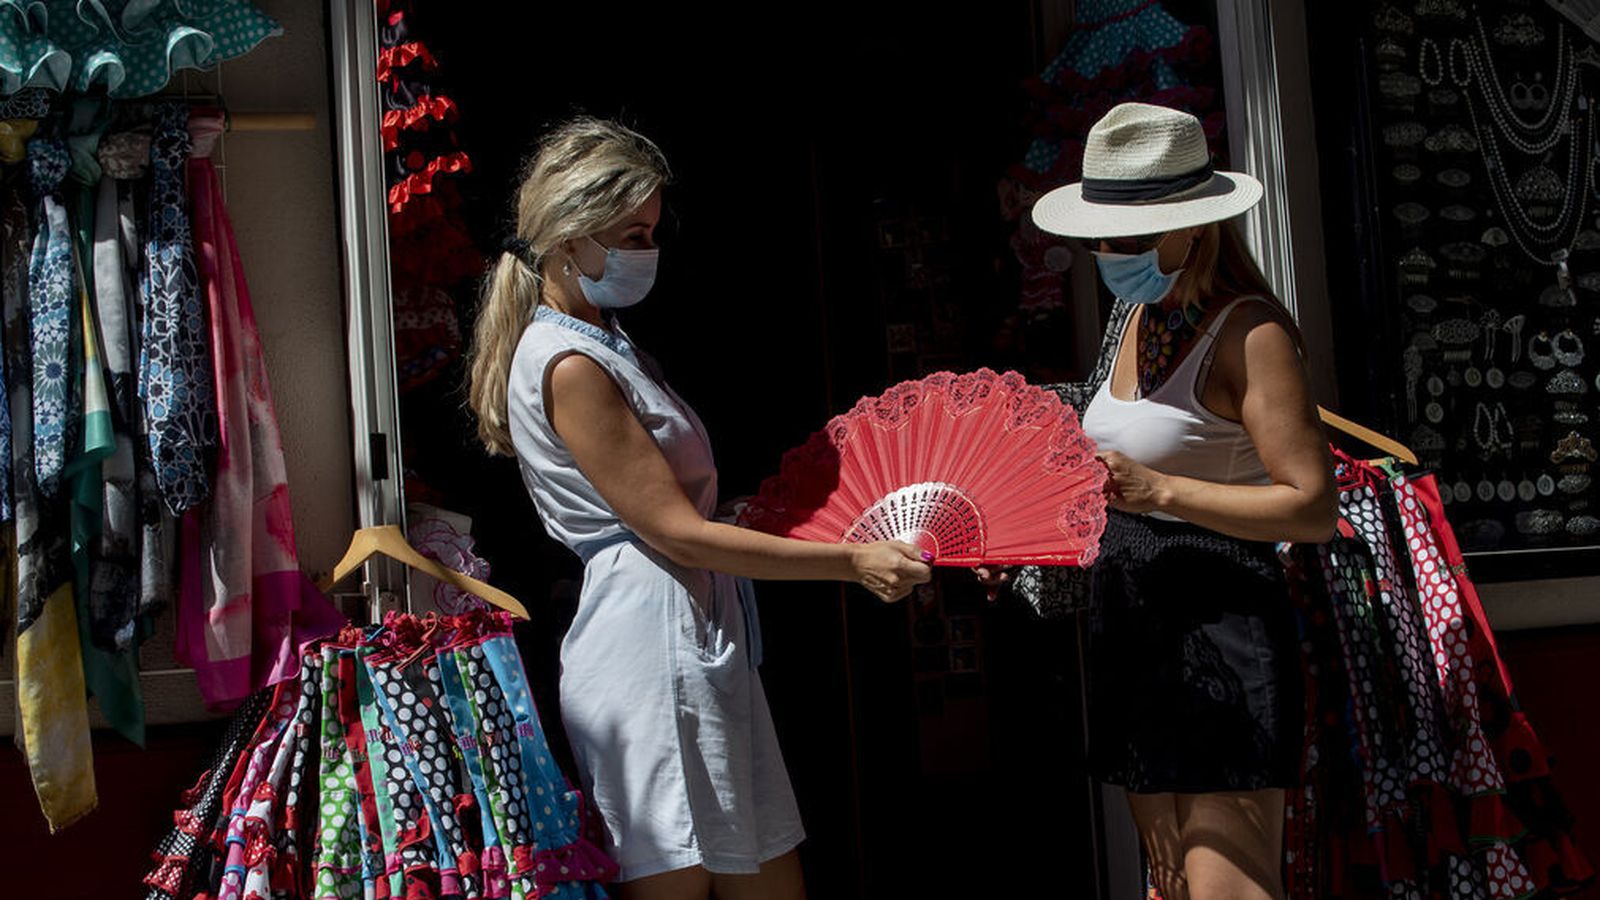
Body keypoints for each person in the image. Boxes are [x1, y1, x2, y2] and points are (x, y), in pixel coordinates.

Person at [466, 117, 931, 899]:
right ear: (570, 236)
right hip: (653, 651)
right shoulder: (571, 361)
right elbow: (676, 533)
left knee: (766, 874)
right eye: (630, 233)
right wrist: (851, 563)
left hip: (689, 636)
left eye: (650, 230)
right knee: (684, 883)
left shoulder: (603, 341)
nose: (647, 250)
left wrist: (742, 516)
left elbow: (674, 514)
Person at [983, 102, 1337, 900]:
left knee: (1227, 891)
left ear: (1196, 228)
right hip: (1139, 632)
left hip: (1222, 628)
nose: (1112, 253)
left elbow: (1312, 506)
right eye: (1102, 237)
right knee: (1169, 890)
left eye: (1133, 238)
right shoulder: (1135, 316)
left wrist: (1163, 489)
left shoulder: (1251, 335)